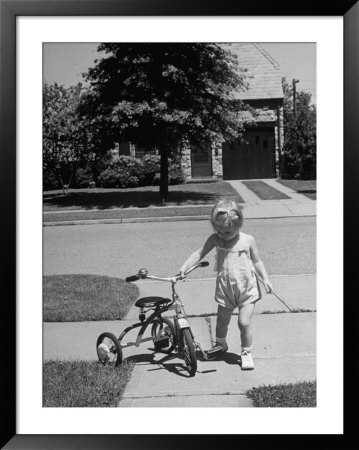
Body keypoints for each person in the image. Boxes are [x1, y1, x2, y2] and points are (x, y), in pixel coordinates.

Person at [178, 198, 273, 370]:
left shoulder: (248, 240)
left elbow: (257, 261)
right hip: (225, 289)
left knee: (244, 323)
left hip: (247, 289)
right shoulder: (215, 239)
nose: (222, 235)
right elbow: (199, 253)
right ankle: (221, 345)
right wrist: (185, 266)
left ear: (239, 225)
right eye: (219, 231)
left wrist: (265, 278)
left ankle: (246, 352)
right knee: (222, 322)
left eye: (227, 232)